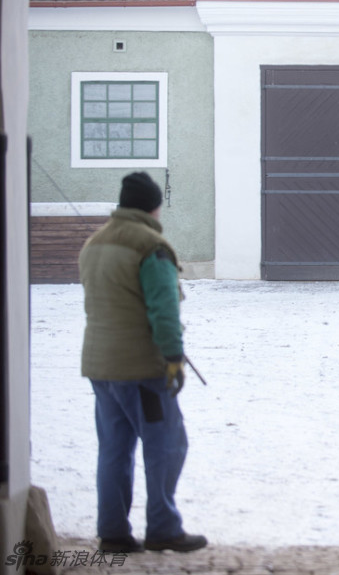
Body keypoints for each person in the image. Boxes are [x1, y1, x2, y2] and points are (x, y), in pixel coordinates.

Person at [78, 172, 207, 554]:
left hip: (100, 368)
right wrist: (172, 360)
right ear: (154, 206)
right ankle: (163, 527)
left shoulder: (93, 243)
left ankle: (113, 533)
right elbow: (164, 311)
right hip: (141, 370)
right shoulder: (152, 247)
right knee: (167, 444)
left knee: (114, 449)